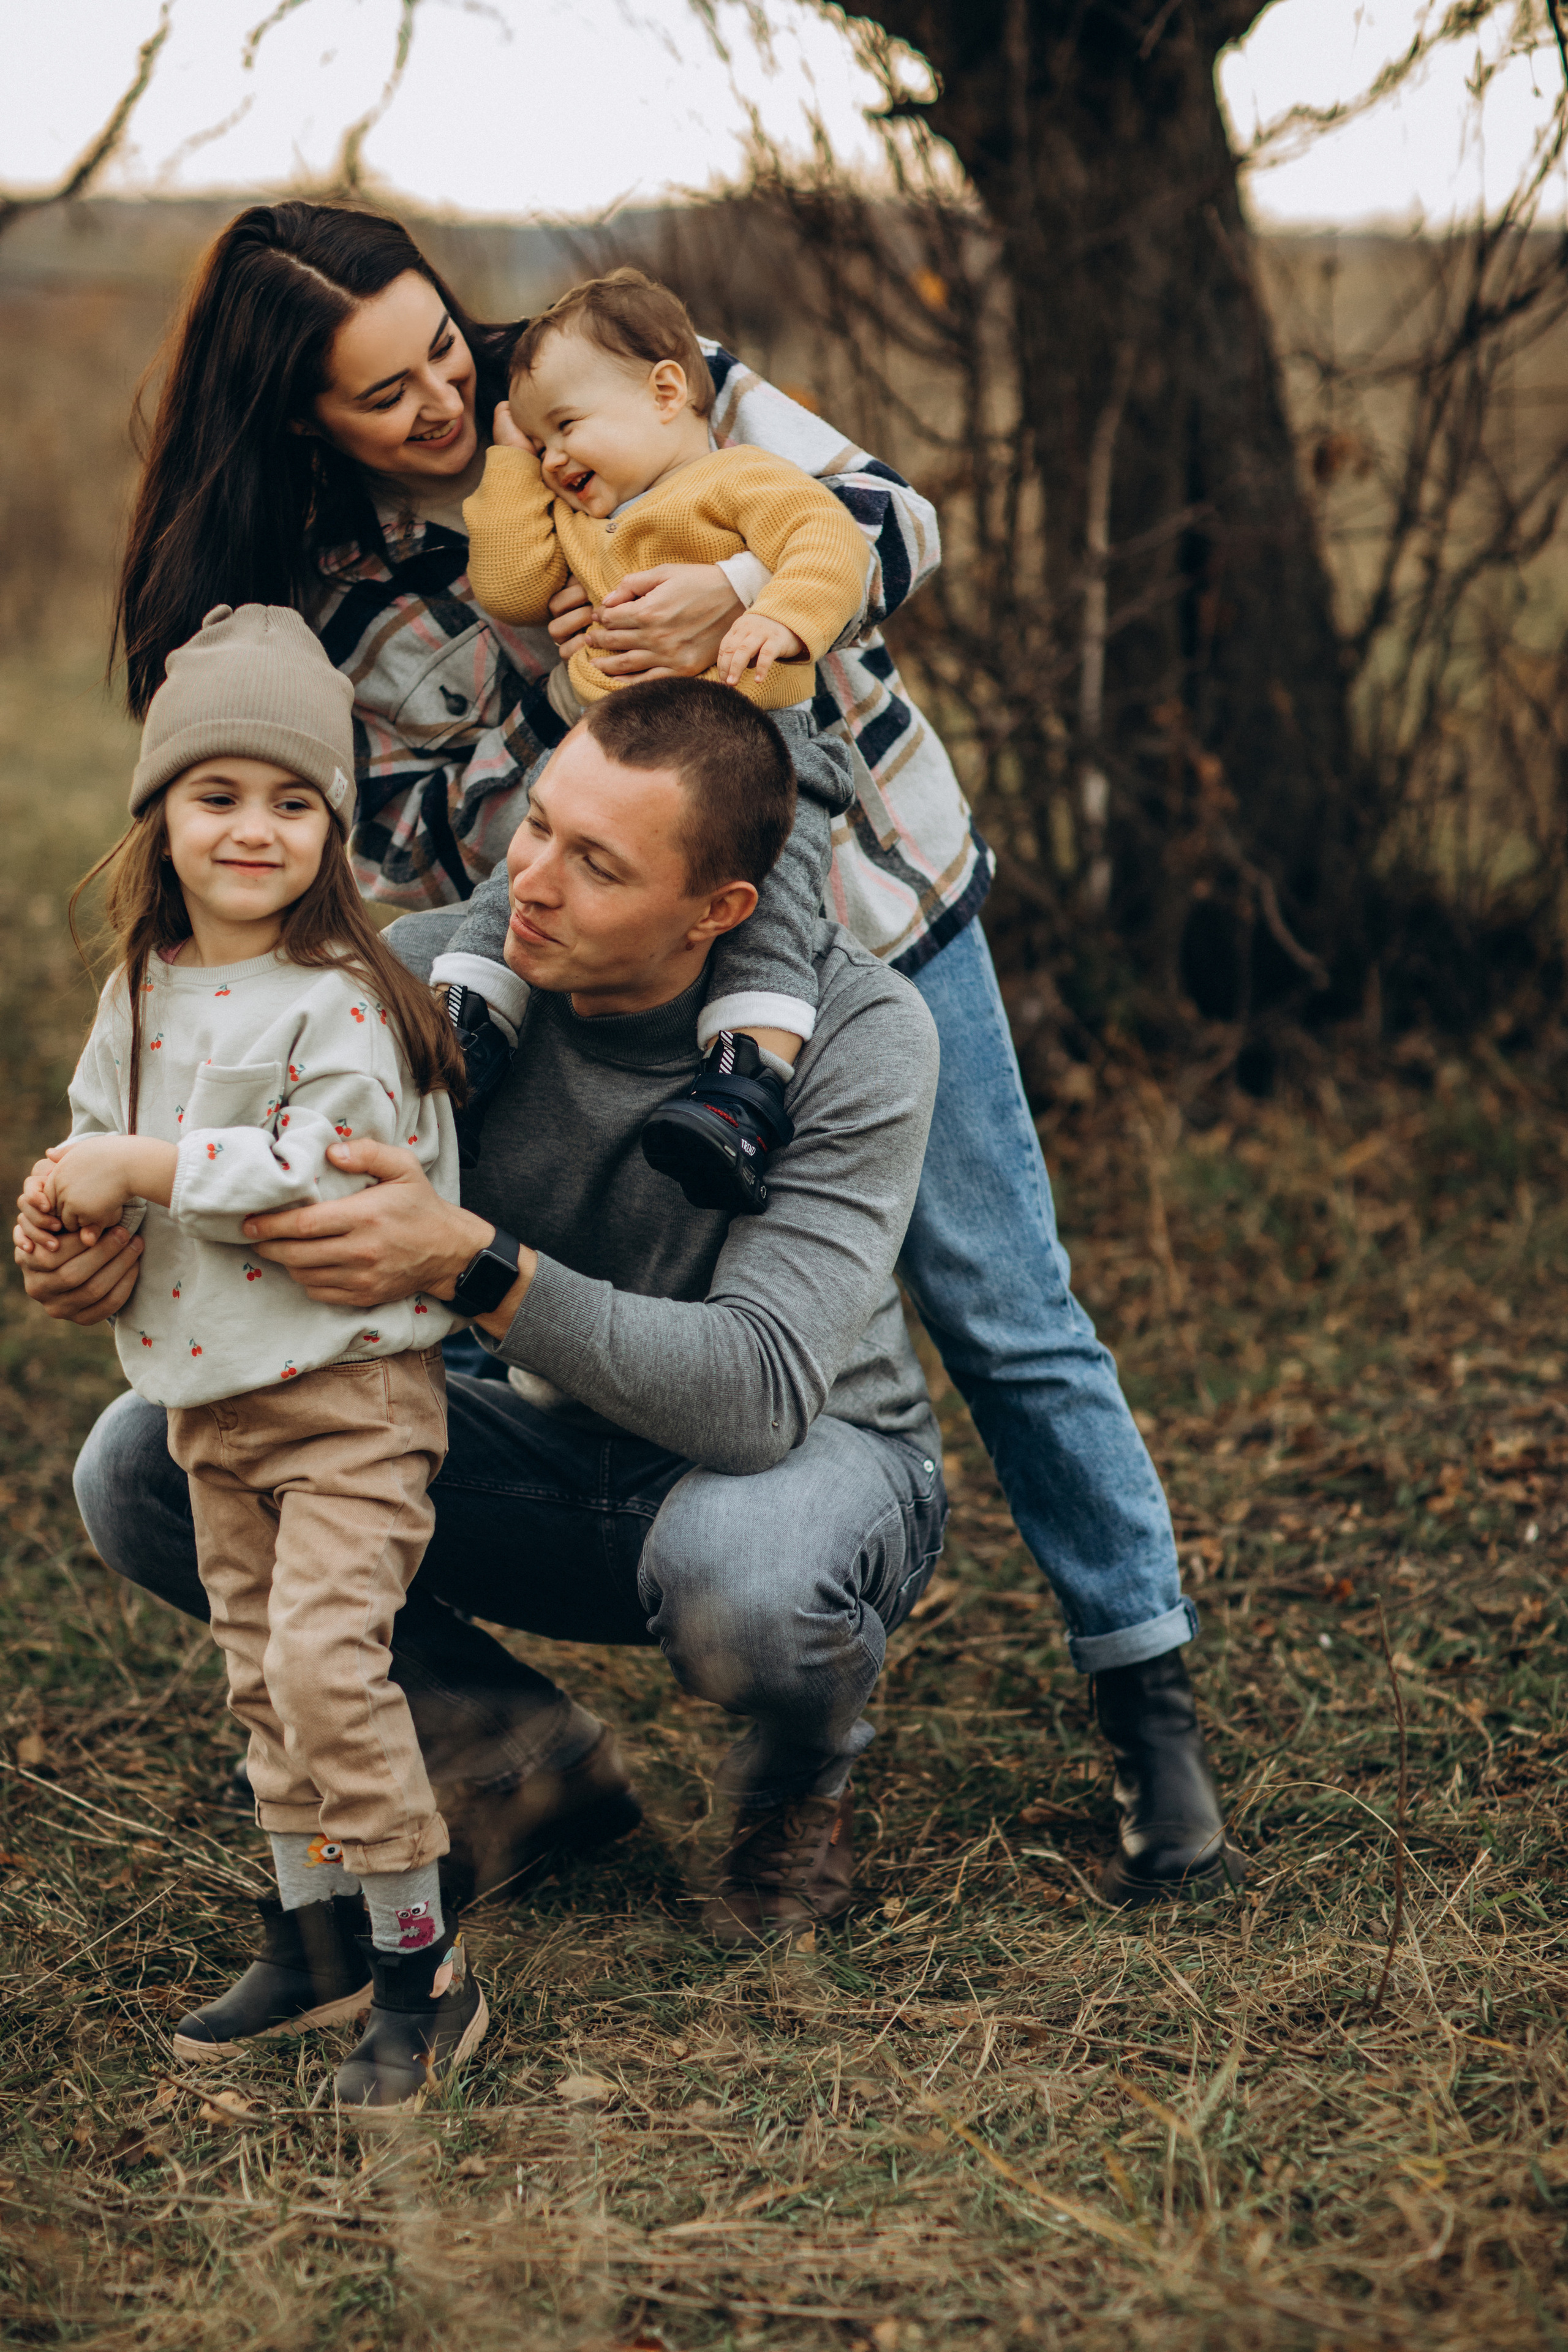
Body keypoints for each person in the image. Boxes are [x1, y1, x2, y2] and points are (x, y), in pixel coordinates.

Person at [94, 198, 1237, 1905]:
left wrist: (733, 587)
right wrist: (574, 720)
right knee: (546, 1309)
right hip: (604, 959)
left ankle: (1146, 1700)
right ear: (300, 422)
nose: (446, 402)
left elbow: (890, 517)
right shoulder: (323, 602)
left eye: (442, 349)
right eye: (386, 395)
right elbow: (392, 842)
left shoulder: (609, 365)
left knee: (1003, 1304)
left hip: (874, 907)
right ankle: (522, 1741)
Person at [60, 681, 951, 1947]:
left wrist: (473, 1265)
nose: (530, 882)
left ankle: (796, 1787)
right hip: (535, 1442)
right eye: (537, 826)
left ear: (718, 912)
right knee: (144, 1463)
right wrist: (104, 1253)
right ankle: (515, 1756)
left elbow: (756, 1398)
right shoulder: (419, 979)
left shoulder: (859, 1034)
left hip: (804, 1465)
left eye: (598, 866)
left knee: (747, 1578)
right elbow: (254, 1192)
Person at [17, 607, 487, 2109]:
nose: (253, 829)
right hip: (211, 1405)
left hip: (350, 1402)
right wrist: (62, 1226)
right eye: (217, 794)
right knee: (260, 1683)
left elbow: (306, 1166)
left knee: (325, 1670)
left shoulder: (342, 997)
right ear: (159, 812)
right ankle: (316, 1934)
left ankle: (424, 1970)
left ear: (334, 828)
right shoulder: (139, 990)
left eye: (294, 801)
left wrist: (142, 1170)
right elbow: (97, 1149)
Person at [460, 266, 880, 1213]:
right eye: (540, 441)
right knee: (516, 884)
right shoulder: (579, 520)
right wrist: (511, 464)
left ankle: (739, 1094)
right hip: (613, 764)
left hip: (758, 748)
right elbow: (511, 586)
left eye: (567, 426)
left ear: (664, 391)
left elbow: (830, 543)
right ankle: (466, 1032)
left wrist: (776, 615)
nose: (555, 456)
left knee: (774, 915)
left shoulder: (737, 479)